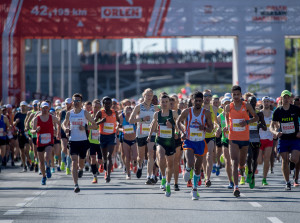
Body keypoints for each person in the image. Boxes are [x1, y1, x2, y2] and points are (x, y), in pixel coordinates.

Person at [177, 91, 213, 200]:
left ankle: (194, 189)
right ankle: (187, 168)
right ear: (192, 101)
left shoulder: (206, 113)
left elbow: (211, 128)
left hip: (200, 142)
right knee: (190, 162)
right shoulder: (187, 112)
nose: (198, 102)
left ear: (202, 101)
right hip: (189, 140)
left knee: (198, 168)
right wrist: (182, 132)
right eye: (196, 101)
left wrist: (205, 128)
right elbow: (178, 122)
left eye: (199, 101)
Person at [223, 85, 258, 197]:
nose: (236, 96)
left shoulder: (246, 105)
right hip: (233, 137)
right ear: (232, 95)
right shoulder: (228, 107)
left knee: (241, 163)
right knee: (234, 161)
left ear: (241, 95)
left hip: (244, 138)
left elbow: (256, 117)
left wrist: (247, 122)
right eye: (234, 95)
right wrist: (227, 126)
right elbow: (227, 117)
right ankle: (236, 187)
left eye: (238, 94)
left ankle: (242, 169)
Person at [62, 93, 97, 193]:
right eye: (75, 101)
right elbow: (63, 124)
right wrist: (66, 129)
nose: (76, 103)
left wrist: (85, 127)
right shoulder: (69, 113)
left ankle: (81, 169)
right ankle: (76, 185)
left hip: (83, 141)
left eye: (78, 101)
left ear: (81, 103)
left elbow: (95, 126)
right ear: (72, 102)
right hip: (73, 141)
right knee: (74, 162)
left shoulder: (85, 113)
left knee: (81, 162)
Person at [148, 95, 179, 197]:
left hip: (170, 142)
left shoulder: (173, 113)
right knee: (161, 157)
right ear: (160, 104)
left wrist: (174, 128)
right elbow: (153, 125)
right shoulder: (157, 114)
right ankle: (163, 177)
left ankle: (168, 184)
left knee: (170, 164)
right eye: (163, 102)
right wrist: (149, 136)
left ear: (169, 103)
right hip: (160, 140)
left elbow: (179, 125)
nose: (165, 103)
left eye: (166, 102)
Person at [270, 90, 300, 190]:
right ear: (281, 98)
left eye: (288, 97)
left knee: (295, 158)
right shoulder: (278, 111)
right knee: (284, 160)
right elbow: (272, 125)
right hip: (283, 139)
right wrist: (275, 132)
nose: (286, 99)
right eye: (284, 97)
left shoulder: (295, 109)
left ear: (290, 98)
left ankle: (292, 164)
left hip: (294, 138)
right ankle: (287, 182)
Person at [129, 88, 157, 184]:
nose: (149, 97)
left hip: (151, 133)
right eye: (147, 95)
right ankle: (140, 166)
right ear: (143, 96)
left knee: (151, 154)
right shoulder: (138, 107)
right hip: (141, 133)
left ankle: (149, 176)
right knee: (140, 157)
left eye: (150, 95)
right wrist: (142, 119)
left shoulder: (155, 108)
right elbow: (130, 120)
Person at [31, 102, 61, 185]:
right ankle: (44, 176)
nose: (45, 110)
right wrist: (36, 130)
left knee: (47, 156)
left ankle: (48, 166)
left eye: (46, 108)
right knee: (41, 161)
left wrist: (58, 132)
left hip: (49, 141)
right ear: (40, 109)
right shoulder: (36, 119)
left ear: (48, 108)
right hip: (40, 142)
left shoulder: (52, 117)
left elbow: (59, 123)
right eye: (43, 108)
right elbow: (32, 130)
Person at [94, 96, 120, 183]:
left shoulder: (114, 112)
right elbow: (94, 123)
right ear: (103, 104)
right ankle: (105, 168)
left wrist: (118, 125)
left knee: (109, 156)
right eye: (106, 103)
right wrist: (101, 121)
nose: (108, 105)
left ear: (111, 104)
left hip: (111, 136)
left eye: (109, 103)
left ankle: (108, 174)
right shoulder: (100, 113)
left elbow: (119, 121)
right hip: (102, 136)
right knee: (104, 157)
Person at [246, 96, 267, 189]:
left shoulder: (259, 114)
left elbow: (265, 127)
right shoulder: (245, 113)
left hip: (256, 139)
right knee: (248, 156)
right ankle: (249, 172)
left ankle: (253, 177)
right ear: (248, 102)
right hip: (246, 138)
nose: (252, 103)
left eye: (254, 102)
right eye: (251, 102)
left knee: (255, 160)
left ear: (256, 103)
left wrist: (259, 125)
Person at [217, 97, 233, 189]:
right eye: (225, 103)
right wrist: (218, 129)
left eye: (228, 103)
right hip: (225, 140)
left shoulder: (234, 115)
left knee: (234, 161)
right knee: (228, 161)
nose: (227, 105)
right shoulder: (220, 117)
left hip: (234, 140)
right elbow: (216, 125)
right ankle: (230, 181)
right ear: (222, 105)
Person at [258, 96, 274, 186]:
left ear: (270, 103)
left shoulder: (273, 113)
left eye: (268, 101)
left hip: (269, 138)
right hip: (260, 138)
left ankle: (264, 178)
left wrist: (275, 130)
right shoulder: (259, 113)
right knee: (259, 161)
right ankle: (252, 167)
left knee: (267, 159)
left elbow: (276, 124)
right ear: (262, 103)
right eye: (265, 101)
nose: (266, 103)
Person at [119, 106, 137, 180]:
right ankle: (128, 174)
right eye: (127, 112)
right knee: (127, 157)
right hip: (125, 140)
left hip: (133, 139)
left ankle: (134, 164)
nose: (128, 113)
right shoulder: (121, 117)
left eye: (130, 112)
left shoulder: (134, 118)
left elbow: (137, 126)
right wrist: (122, 129)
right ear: (124, 111)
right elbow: (118, 127)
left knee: (134, 157)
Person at [14, 101, 31, 172]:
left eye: (24, 106)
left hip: (27, 133)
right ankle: (24, 165)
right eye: (22, 106)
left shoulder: (28, 114)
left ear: (26, 107)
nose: (23, 107)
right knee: (22, 150)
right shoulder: (17, 114)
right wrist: (16, 122)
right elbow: (13, 124)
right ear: (20, 107)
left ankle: (28, 161)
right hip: (20, 134)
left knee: (27, 150)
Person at [89, 99, 102, 184]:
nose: (96, 109)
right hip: (91, 141)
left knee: (100, 161)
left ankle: (97, 168)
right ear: (92, 107)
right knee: (93, 159)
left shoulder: (102, 117)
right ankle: (94, 176)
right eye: (95, 107)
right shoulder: (89, 116)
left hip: (100, 141)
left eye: (98, 107)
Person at [0, 106, 10, 173]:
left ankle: (1, 161)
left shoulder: (4, 118)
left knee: (2, 152)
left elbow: (9, 127)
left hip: (2, 137)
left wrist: (6, 132)